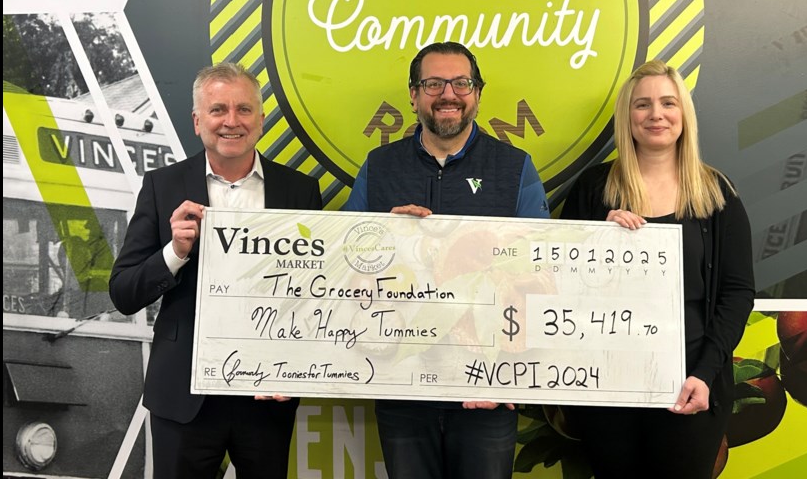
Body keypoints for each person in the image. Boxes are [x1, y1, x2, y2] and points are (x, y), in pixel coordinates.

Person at [343, 41, 550, 479]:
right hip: (402, 384)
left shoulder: (515, 167)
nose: (448, 94)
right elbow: (345, 264)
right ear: (414, 94)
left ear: (477, 93)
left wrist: (513, 373)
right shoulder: (379, 166)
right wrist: (383, 236)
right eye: (433, 83)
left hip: (488, 389)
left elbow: (539, 274)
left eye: (461, 83)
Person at [109, 62, 323, 479]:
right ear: (197, 121)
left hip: (266, 394)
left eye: (244, 110)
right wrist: (175, 251)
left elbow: (316, 293)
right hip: (183, 396)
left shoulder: (299, 191)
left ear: (261, 120)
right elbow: (123, 293)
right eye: (218, 110)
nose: (231, 121)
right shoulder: (162, 186)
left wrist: (297, 364)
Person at [558, 59, 755, 478]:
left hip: (689, 384)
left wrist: (704, 373)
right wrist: (596, 239)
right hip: (609, 386)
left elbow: (736, 293)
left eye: (668, 103)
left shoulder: (717, 194)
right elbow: (559, 283)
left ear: (684, 114)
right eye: (642, 105)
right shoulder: (595, 190)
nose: (656, 115)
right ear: (627, 117)